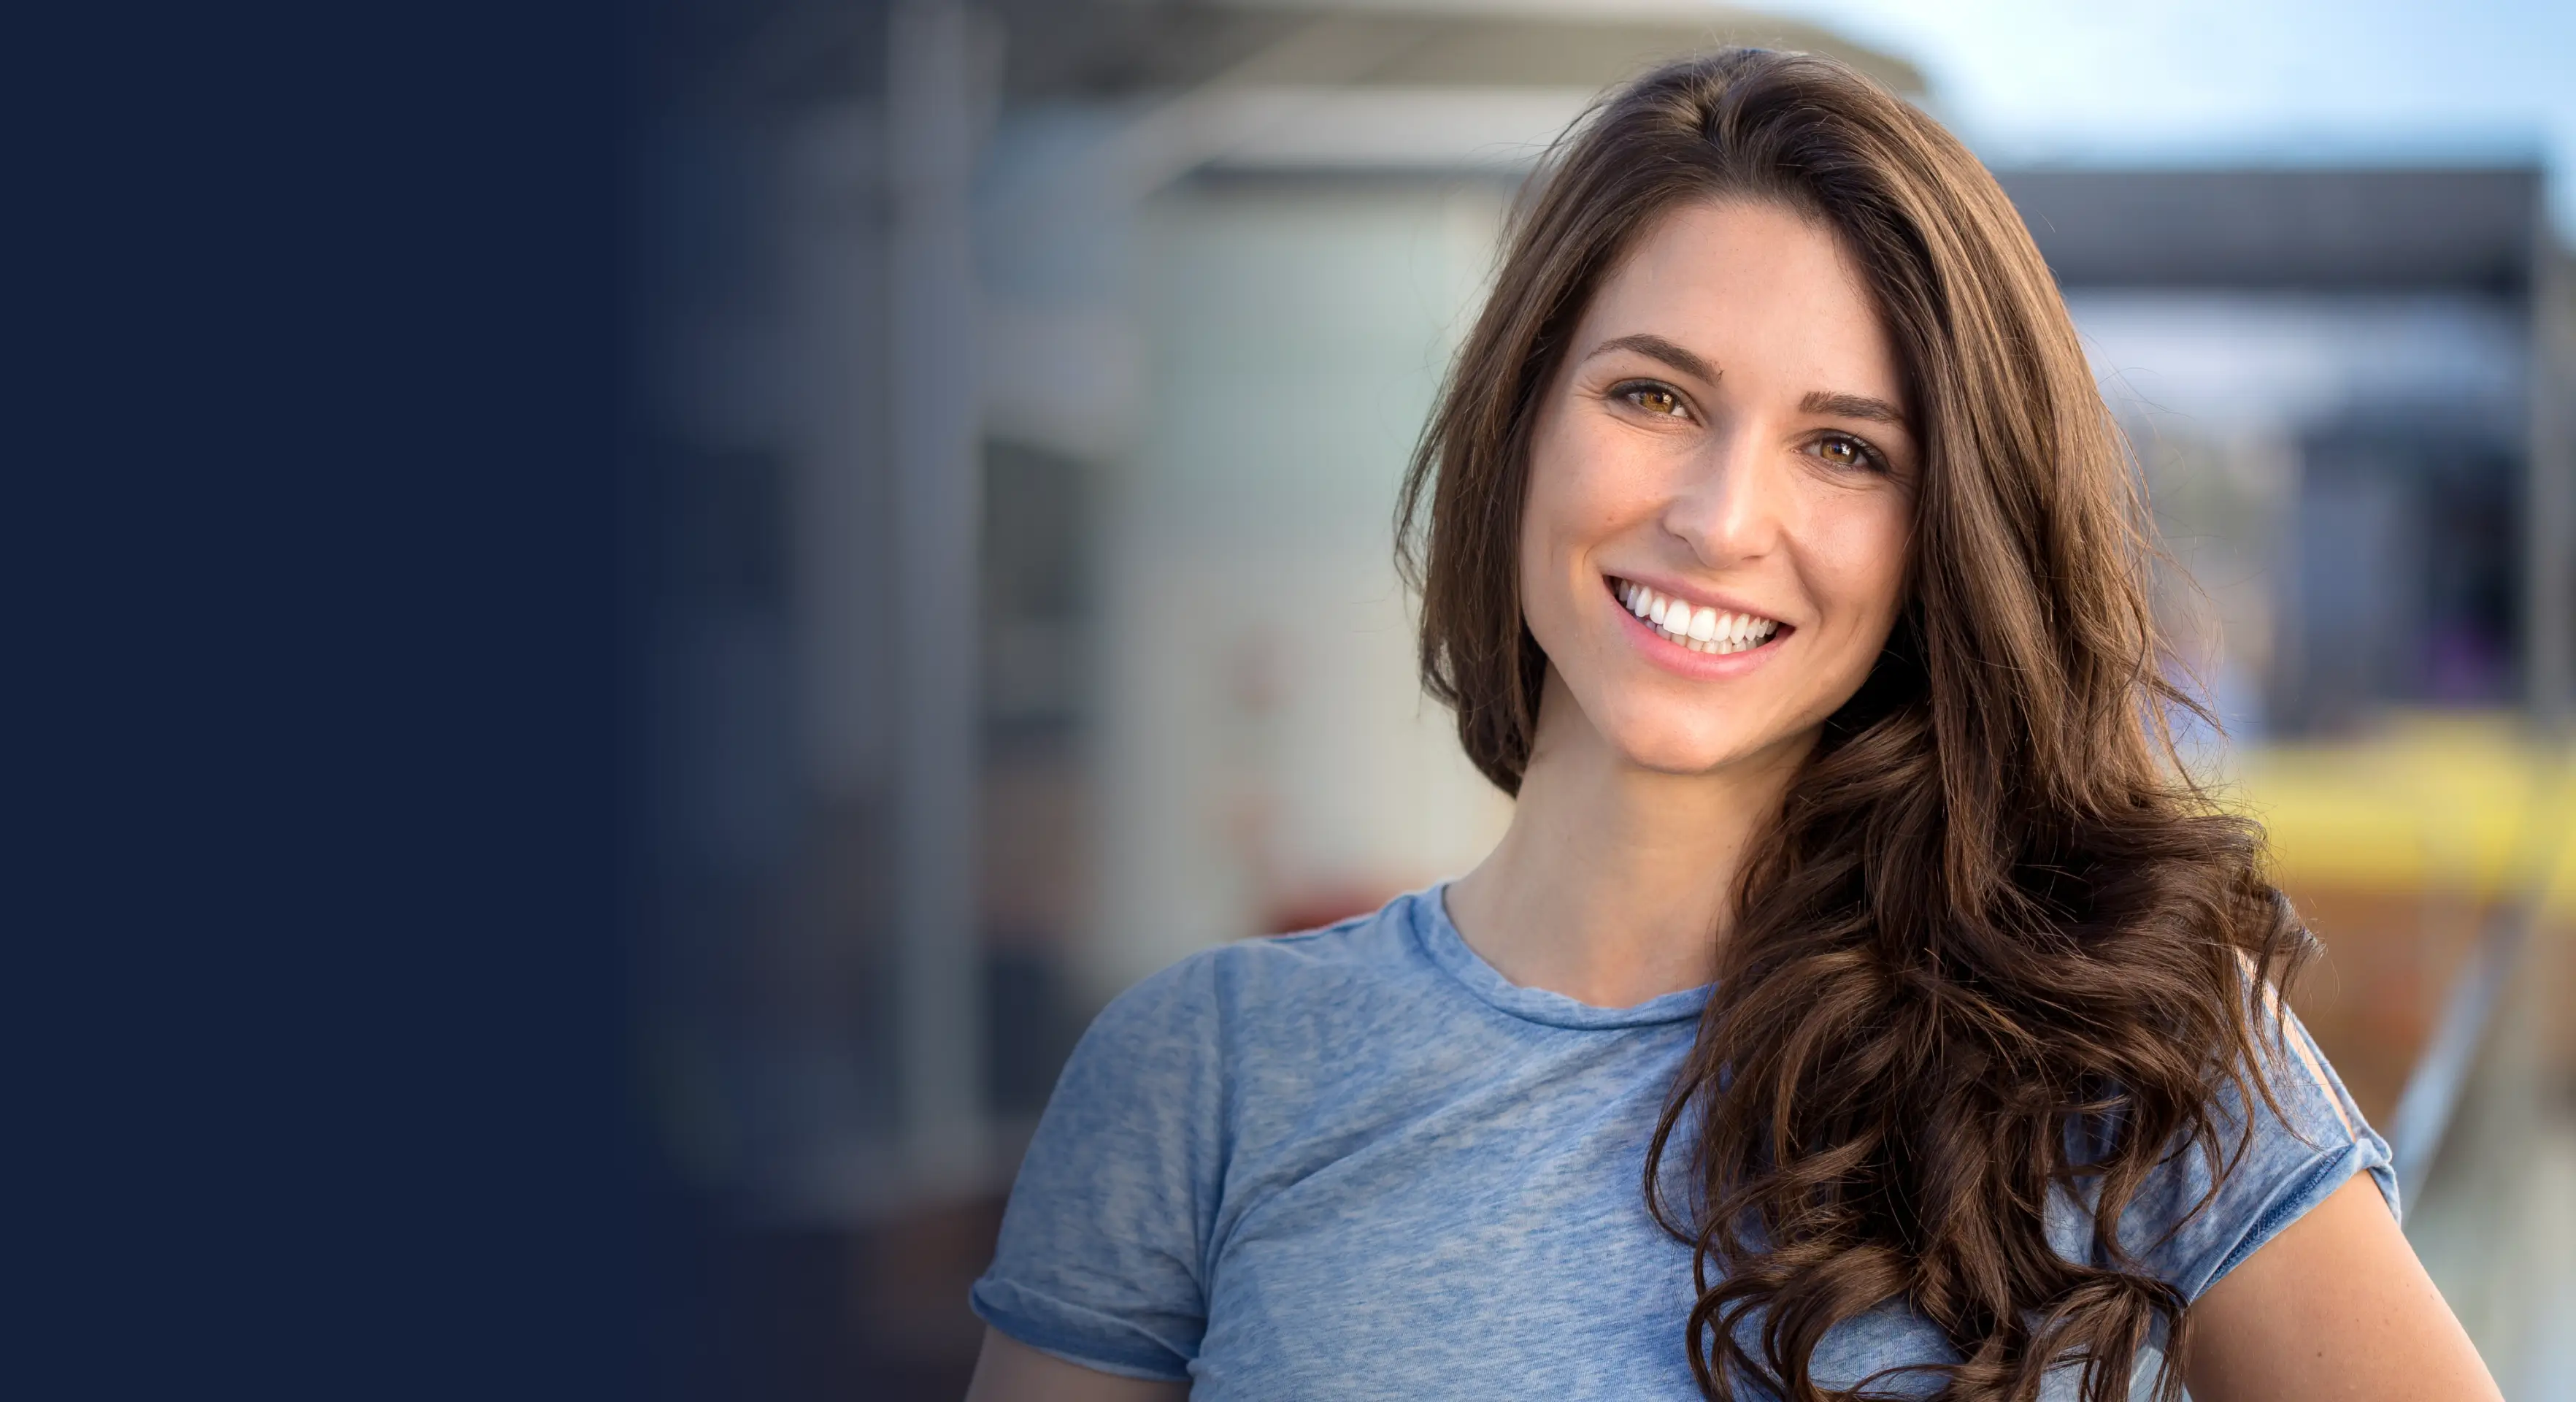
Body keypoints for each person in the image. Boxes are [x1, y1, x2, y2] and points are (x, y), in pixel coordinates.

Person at [962, 50, 2499, 1402]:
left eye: (1843, 448)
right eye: (1655, 399)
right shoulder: (1204, 1075)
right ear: (1523, 418)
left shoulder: (2126, 1039)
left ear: (1941, 540)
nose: (1720, 517)